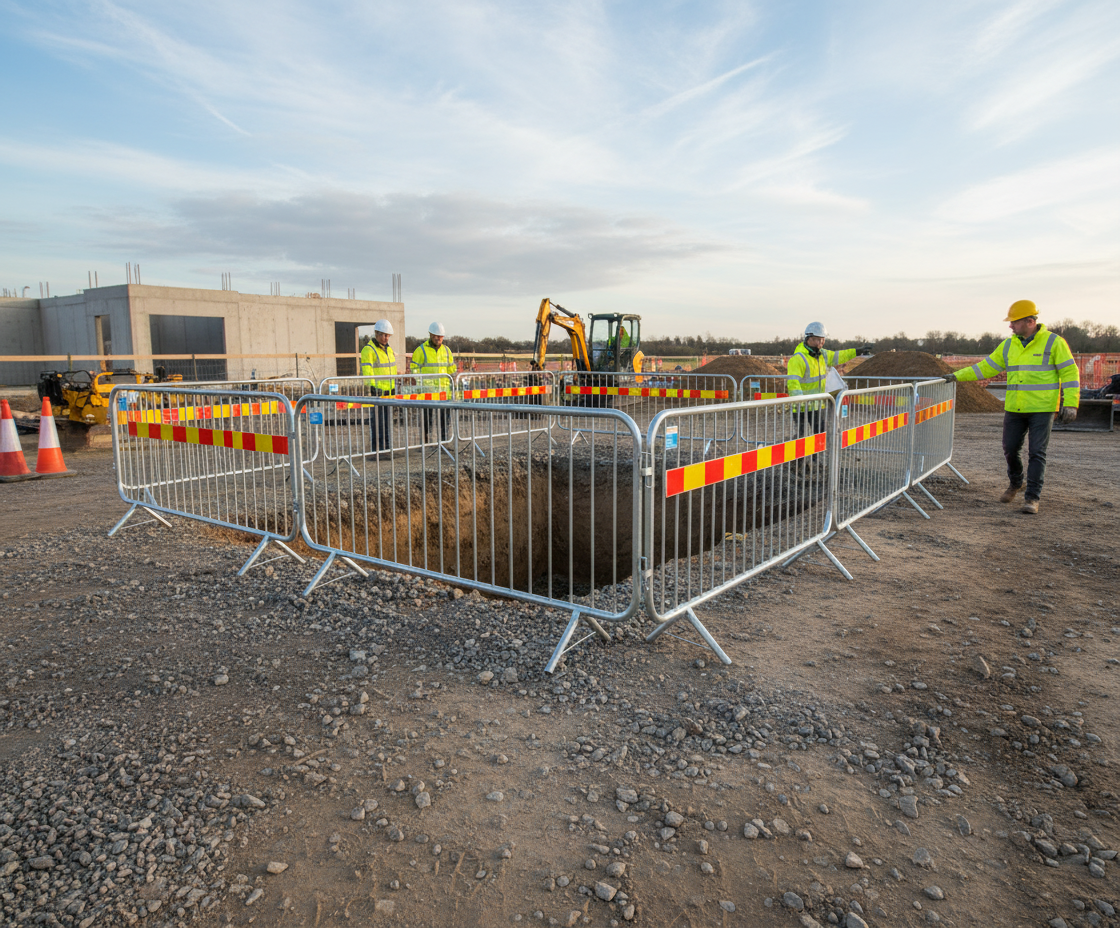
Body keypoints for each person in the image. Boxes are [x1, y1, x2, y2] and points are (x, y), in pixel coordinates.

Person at [942, 300, 1078, 514]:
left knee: (1037, 453)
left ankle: (1032, 498)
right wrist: (956, 376)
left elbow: (1070, 374)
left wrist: (1070, 403)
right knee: (1010, 448)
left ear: (1030, 322)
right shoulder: (1008, 345)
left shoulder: (1054, 343)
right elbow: (986, 367)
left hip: (1042, 408)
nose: (1010, 326)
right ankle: (1017, 482)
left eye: (1014, 322)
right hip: (1015, 408)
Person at [787, 322, 872, 432]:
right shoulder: (798, 358)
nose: (822, 342)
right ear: (809, 339)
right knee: (800, 439)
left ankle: (820, 450)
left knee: (820, 437)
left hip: (817, 406)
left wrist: (858, 351)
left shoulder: (823, 355)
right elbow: (793, 384)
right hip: (801, 407)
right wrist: (801, 401)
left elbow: (840, 356)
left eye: (823, 339)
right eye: (818, 339)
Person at [411, 322, 455, 443]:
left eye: (441, 336)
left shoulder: (447, 351)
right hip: (428, 391)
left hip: (444, 391)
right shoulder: (421, 350)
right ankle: (426, 442)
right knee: (427, 419)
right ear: (430, 334)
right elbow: (414, 369)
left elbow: (451, 370)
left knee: (445, 419)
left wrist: (454, 382)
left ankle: (444, 442)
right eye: (436, 335)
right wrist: (421, 384)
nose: (438, 338)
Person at [360, 319, 396, 454]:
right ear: (376, 333)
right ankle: (378, 449)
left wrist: (393, 386)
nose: (386, 338)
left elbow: (391, 369)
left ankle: (386, 447)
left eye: (388, 335)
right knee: (377, 421)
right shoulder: (368, 350)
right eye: (383, 335)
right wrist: (373, 387)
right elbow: (367, 372)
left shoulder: (389, 349)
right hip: (377, 391)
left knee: (387, 421)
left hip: (389, 390)